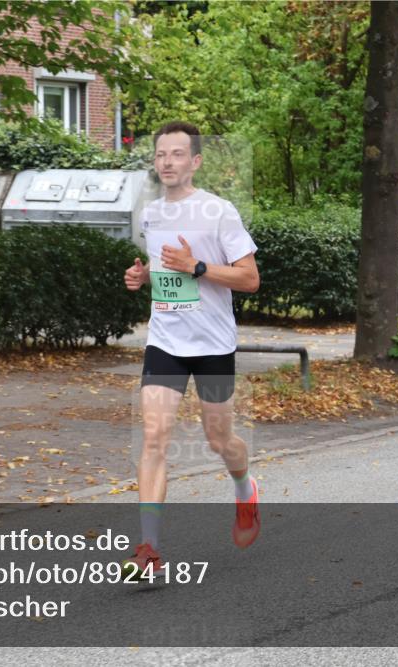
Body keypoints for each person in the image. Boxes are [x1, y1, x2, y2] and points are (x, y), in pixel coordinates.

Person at [121, 121, 261, 579]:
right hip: (166, 339)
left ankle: (245, 489)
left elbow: (249, 279)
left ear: (195, 161)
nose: (167, 162)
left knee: (219, 439)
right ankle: (149, 548)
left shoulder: (219, 212)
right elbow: (168, 276)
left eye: (177, 154)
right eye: (161, 154)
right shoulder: (151, 214)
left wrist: (198, 267)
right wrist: (143, 279)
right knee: (155, 436)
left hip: (213, 344)